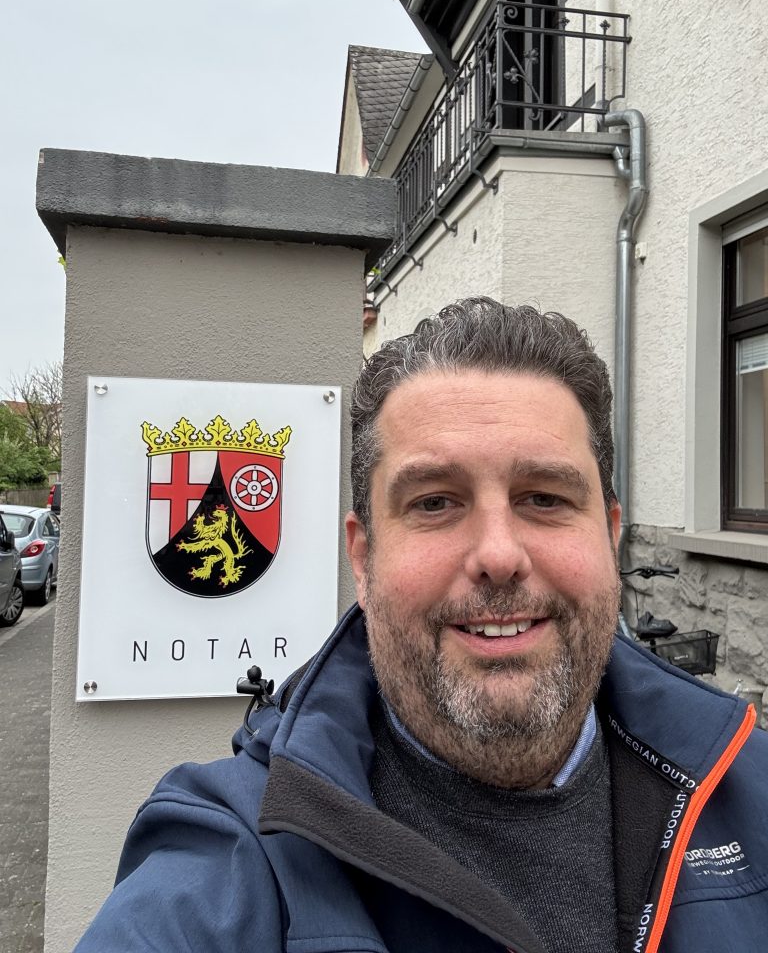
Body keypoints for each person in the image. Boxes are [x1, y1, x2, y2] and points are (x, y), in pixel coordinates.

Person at [76, 298, 767, 953]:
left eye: (545, 498)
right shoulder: (233, 860)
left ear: (610, 538)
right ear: (363, 557)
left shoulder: (752, 790)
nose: (499, 555)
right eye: (435, 502)